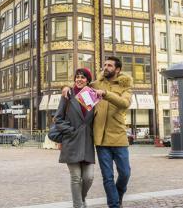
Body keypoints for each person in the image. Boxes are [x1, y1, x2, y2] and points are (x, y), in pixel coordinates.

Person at [66, 56, 132, 208]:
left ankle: (119, 194)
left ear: (117, 69)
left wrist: (106, 94)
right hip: (100, 139)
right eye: (105, 65)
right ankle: (114, 205)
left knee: (125, 173)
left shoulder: (125, 87)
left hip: (119, 136)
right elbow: (79, 85)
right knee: (107, 177)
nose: (105, 67)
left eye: (109, 65)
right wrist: (66, 88)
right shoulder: (95, 84)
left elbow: (124, 103)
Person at [54, 68, 96, 208]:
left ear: (88, 80)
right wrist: (71, 131)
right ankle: (78, 205)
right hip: (71, 141)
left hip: (87, 142)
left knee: (88, 177)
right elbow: (58, 119)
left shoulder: (92, 95)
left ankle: (81, 199)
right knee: (76, 177)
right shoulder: (68, 94)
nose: (79, 79)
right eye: (77, 77)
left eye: (83, 77)